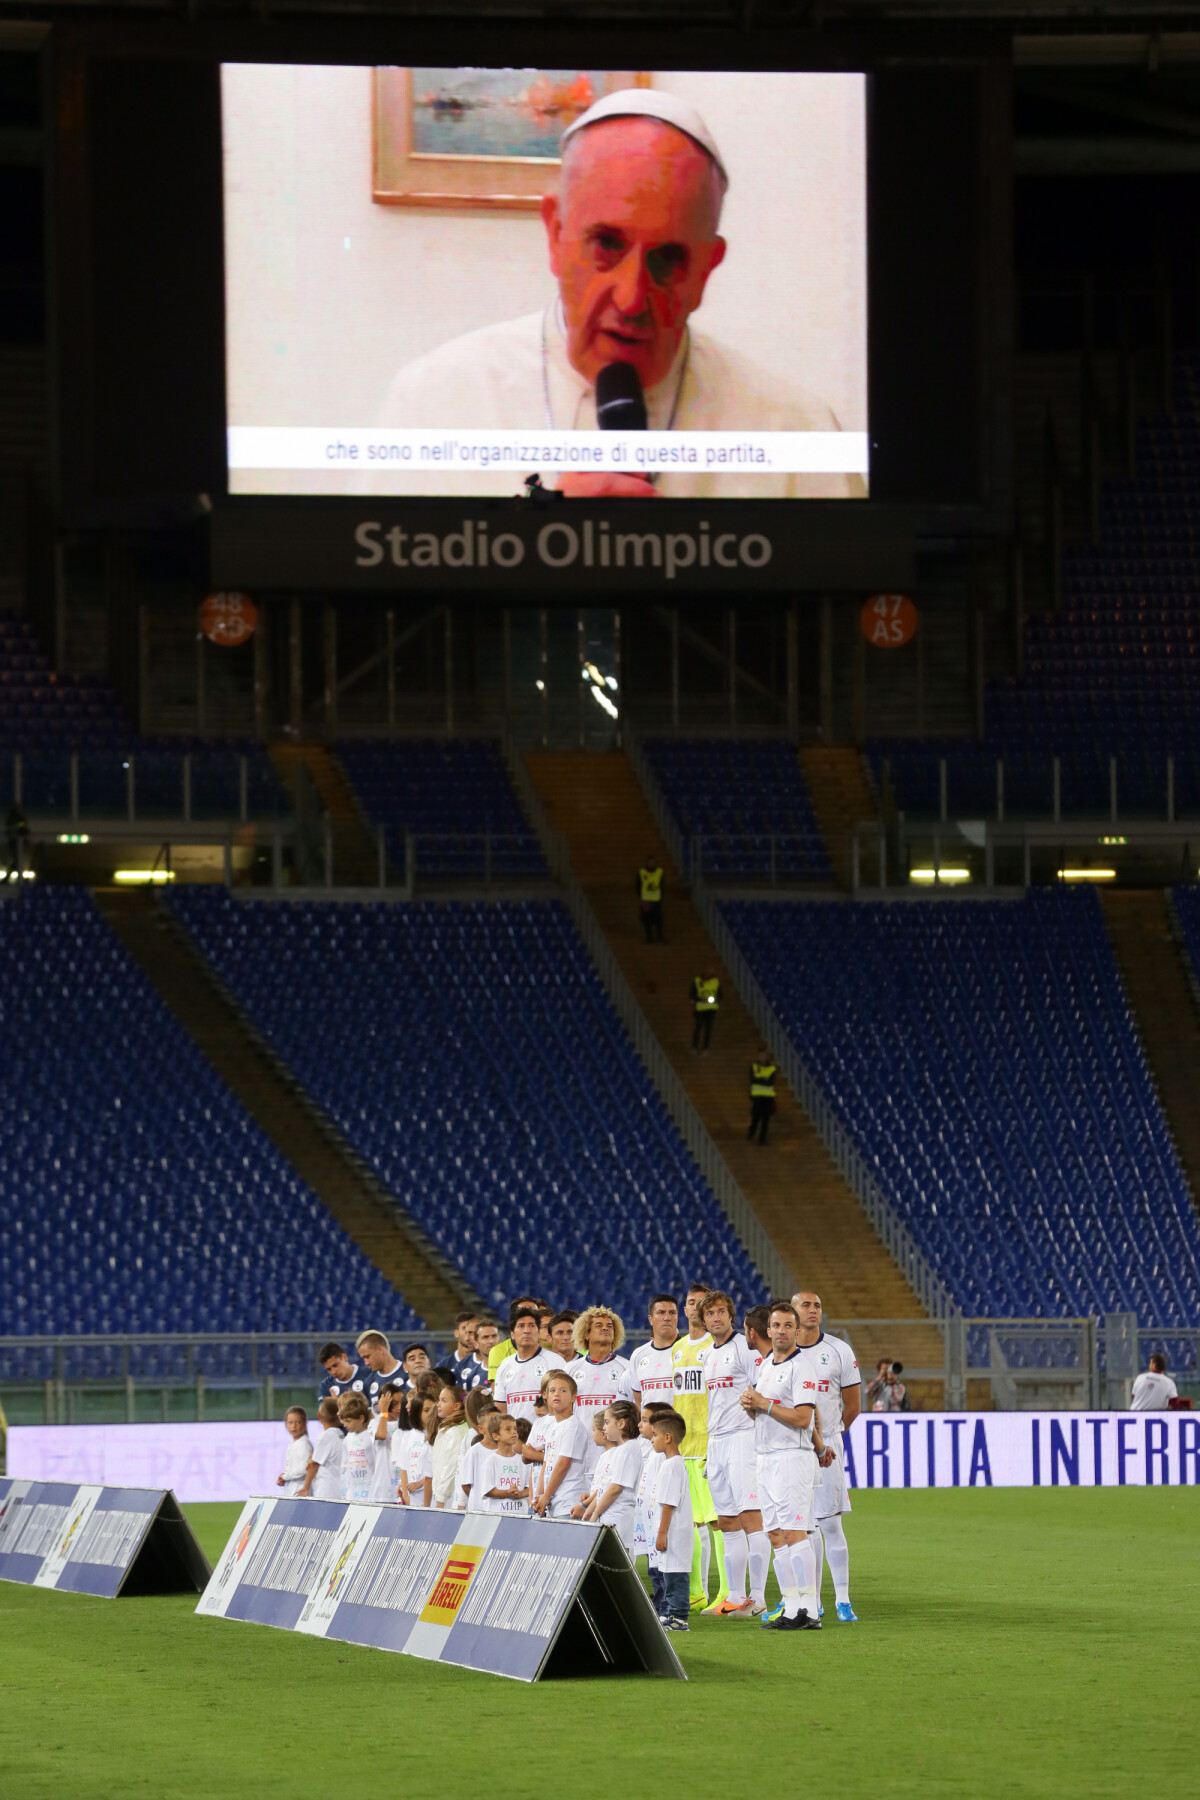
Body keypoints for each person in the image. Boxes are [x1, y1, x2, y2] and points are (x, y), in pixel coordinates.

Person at [377, 88, 864, 500]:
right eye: (607, 244)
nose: (631, 300)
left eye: (668, 259)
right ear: (555, 235)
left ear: (706, 271)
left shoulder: (798, 433)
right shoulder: (434, 404)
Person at [740, 1300, 823, 1631]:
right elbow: (764, 1411)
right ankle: (791, 1608)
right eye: (776, 1325)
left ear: (797, 1331)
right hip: (765, 1457)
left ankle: (810, 1609)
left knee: (794, 1532)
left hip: (791, 1458)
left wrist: (764, 1403)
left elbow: (804, 1418)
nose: (782, 1331)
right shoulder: (766, 1366)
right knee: (775, 1534)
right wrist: (752, 1406)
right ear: (769, 1329)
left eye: (789, 1325)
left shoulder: (802, 1367)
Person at [697, 1290, 770, 1617]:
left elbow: (763, 1390)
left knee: (752, 1517)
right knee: (726, 1521)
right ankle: (735, 1597)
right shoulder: (708, 1355)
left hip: (743, 1438)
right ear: (703, 1319)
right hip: (717, 1442)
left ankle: (758, 1597)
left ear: (730, 1315)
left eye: (721, 1312)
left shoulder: (744, 1348)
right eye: (710, 1313)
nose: (716, 1318)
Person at [793, 1289, 861, 1623]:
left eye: (818, 1305)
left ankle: (844, 1601)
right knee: (804, 1527)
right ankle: (814, 1601)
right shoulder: (782, 1354)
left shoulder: (838, 1350)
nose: (813, 1310)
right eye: (806, 1304)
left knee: (830, 1523)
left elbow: (854, 1406)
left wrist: (830, 1438)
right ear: (792, 1313)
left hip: (828, 1444)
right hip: (792, 1448)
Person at [671, 1281, 725, 1610]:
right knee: (690, 1523)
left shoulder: (715, 1346)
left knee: (719, 1522)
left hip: (708, 1447)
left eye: (701, 1304)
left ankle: (728, 1592)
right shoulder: (678, 1349)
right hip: (684, 1447)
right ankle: (697, 1591)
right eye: (691, 1303)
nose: (695, 1308)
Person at [566, 1305, 633, 1472]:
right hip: (578, 1455)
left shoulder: (627, 1369)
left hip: (615, 1455)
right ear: (586, 1333)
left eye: (609, 1326)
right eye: (598, 1325)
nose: (605, 1328)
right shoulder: (570, 1370)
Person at [646, 1410, 694, 1632]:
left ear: (668, 1437)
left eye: (654, 1434)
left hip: (673, 1532)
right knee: (669, 1574)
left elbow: (668, 1503)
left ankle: (679, 1617)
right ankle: (671, 1614)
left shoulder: (671, 1465)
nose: (652, 1439)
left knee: (675, 1576)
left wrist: (662, 1532)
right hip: (671, 1532)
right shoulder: (672, 1463)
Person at [582, 1401, 643, 1553]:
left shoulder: (628, 1449)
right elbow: (605, 1488)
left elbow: (615, 1488)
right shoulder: (620, 1450)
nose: (604, 1427)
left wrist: (595, 1514)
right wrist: (589, 1510)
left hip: (619, 1521)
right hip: (610, 1519)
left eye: (607, 1422)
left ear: (621, 1423)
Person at [493, 1305, 567, 1423]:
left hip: (546, 1437)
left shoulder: (555, 1362)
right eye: (521, 1326)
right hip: (515, 1438)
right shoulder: (504, 1366)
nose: (526, 1331)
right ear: (512, 1334)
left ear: (538, 1332)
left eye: (532, 1326)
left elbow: (566, 1405)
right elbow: (500, 1408)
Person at [532, 1371, 590, 1519]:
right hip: (554, 1503)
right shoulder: (553, 1426)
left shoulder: (572, 1426)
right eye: (552, 1390)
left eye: (563, 1390)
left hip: (568, 1503)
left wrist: (546, 1495)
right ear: (546, 1396)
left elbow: (563, 1463)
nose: (557, 1394)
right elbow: (546, 1462)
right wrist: (540, 1494)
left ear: (573, 1397)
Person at [629, 1294, 680, 1410]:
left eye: (672, 1313)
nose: (667, 1318)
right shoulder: (638, 1355)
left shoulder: (688, 1350)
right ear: (650, 1319)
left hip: (681, 1426)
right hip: (650, 1427)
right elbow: (639, 1401)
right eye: (661, 1312)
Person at [480, 1412, 532, 1515]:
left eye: (515, 1429)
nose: (514, 1432)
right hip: (497, 1515)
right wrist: (508, 1493)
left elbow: (530, 1487)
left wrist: (520, 1494)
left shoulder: (524, 1461)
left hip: (521, 1514)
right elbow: (488, 1490)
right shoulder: (491, 1461)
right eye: (508, 1429)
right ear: (495, 1436)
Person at [297, 1396, 345, 1500]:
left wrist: (306, 1487)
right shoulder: (341, 1435)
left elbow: (314, 1464)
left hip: (327, 1491)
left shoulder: (325, 1436)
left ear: (319, 1416)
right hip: (339, 1490)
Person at [431, 1386, 470, 1508]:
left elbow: (450, 1467)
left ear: (456, 1406)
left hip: (449, 1498)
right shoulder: (453, 1428)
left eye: (444, 1400)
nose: (438, 1404)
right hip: (446, 1495)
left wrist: (440, 1499)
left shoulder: (454, 1432)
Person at [458, 1392, 499, 1510]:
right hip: (479, 1511)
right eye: (492, 1422)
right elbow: (465, 1483)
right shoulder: (474, 1452)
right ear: (480, 1429)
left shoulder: (509, 1450)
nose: (496, 1426)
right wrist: (477, 1500)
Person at [336, 1392, 379, 1502]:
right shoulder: (347, 1439)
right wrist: (345, 1491)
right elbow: (345, 1466)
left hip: (371, 1493)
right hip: (353, 1494)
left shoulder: (371, 1435)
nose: (345, 1425)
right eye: (344, 1421)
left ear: (361, 1418)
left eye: (348, 1421)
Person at [487, 1295, 541, 1382]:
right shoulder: (498, 1351)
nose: (528, 1315)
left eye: (534, 1312)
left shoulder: (548, 1349)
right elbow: (497, 1390)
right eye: (522, 1312)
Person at [400, 1396, 435, 1507]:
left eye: (432, 1409)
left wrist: (420, 1483)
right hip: (413, 1499)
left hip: (432, 1497)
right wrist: (405, 1495)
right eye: (426, 1410)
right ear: (416, 1412)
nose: (430, 1413)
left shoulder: (437, 1434)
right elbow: (404, 1468)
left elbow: (438, 1468)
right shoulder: (408, 1436)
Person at [355, 1329, 406, 1403]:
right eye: (363, 1358)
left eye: (367, 1356)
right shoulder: (368, 1383)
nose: (366, 1362)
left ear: (380, 1349)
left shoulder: (407, 1373)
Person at [276, 1406, 313, 1496]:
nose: (293, 1426)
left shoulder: (303, 1444)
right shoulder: (293, 1444)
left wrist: (286, 1476)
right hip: (292, 1492)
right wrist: (285, 1479)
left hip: (300, 1493)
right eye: (290, 1422)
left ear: (304, 1424)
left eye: (297, 1422)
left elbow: (304, 1468)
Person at [748, 1048, 777, 1145]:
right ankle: (752, 1131)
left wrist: (760, 1077)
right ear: (758, 1056)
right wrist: (764, 1078)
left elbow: (770, 1082)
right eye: (760, 1055)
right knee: (755, 1116)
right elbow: (753, 1080)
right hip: (757, 1097)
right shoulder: (754, 1066)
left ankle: (762, 1139)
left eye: (764, 1055)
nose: (762, 1057)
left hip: (768, 1097)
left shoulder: (772, 1068)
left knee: (766, 1119)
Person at [690, 968, 721, 1053]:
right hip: (700, 1009)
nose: (708, 973)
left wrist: (715, 999)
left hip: (711, 1010)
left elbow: (720, 995)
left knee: (708, 1029)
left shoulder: (716, 982)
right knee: (698, 1028)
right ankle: (694, 1046)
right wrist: (700, 999)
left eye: (710, 971)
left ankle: (706, 1047)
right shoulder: (697, 981)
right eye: (706, 971)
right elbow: (692, 995)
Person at [638, 858, 665, 945]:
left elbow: (662, 885)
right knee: (647, 920)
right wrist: (642, 898)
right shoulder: (642, 873)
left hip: (656, 900)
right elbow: (638, 885)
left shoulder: (659, 872)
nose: (651, 864)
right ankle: (649, 938)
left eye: (653, 862)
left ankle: (659, 937)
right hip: (646, 900)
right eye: (650, 862)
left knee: (658, 919)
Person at [447, 1313, 479, 1384]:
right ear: (456, 1333)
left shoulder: (484, 1362)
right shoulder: (444, 1365)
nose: (467, 1334)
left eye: (472, 1330)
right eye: (464, 1328)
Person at [5, 800, 28, 883]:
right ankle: (13, 879)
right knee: (16, 861)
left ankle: (17, 879)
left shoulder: (19, 818)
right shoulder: (12, 818)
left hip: (19, 842)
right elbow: (11, 830)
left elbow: (24, 829)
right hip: (14, 842)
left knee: (17, 862)